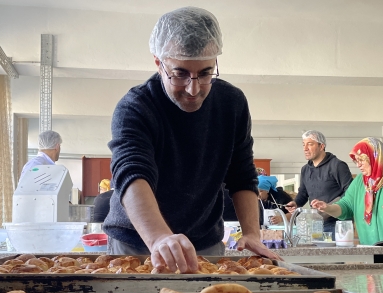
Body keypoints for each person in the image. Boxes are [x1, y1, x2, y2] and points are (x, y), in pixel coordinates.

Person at [103, 7, 280, 272]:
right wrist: (160, 237)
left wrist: (252, 233)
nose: (193, 89)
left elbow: (242, 175)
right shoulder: (135, 107)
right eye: (180, 73)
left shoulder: (232, 103)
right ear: (158, 64)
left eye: (206, 73)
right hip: (138, 243)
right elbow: (132, 174)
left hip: (204, 243)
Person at [285, 130, 353, 236]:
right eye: (303, 145)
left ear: (321, 146)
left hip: (336, 224)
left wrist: (331, 207)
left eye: (310, 144)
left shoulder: (337, 166)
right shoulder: (305, 170)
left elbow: (350, 192)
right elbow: (303, 194)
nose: (305, 148)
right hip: (315, 223)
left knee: (334, 253)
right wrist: (295, 203)